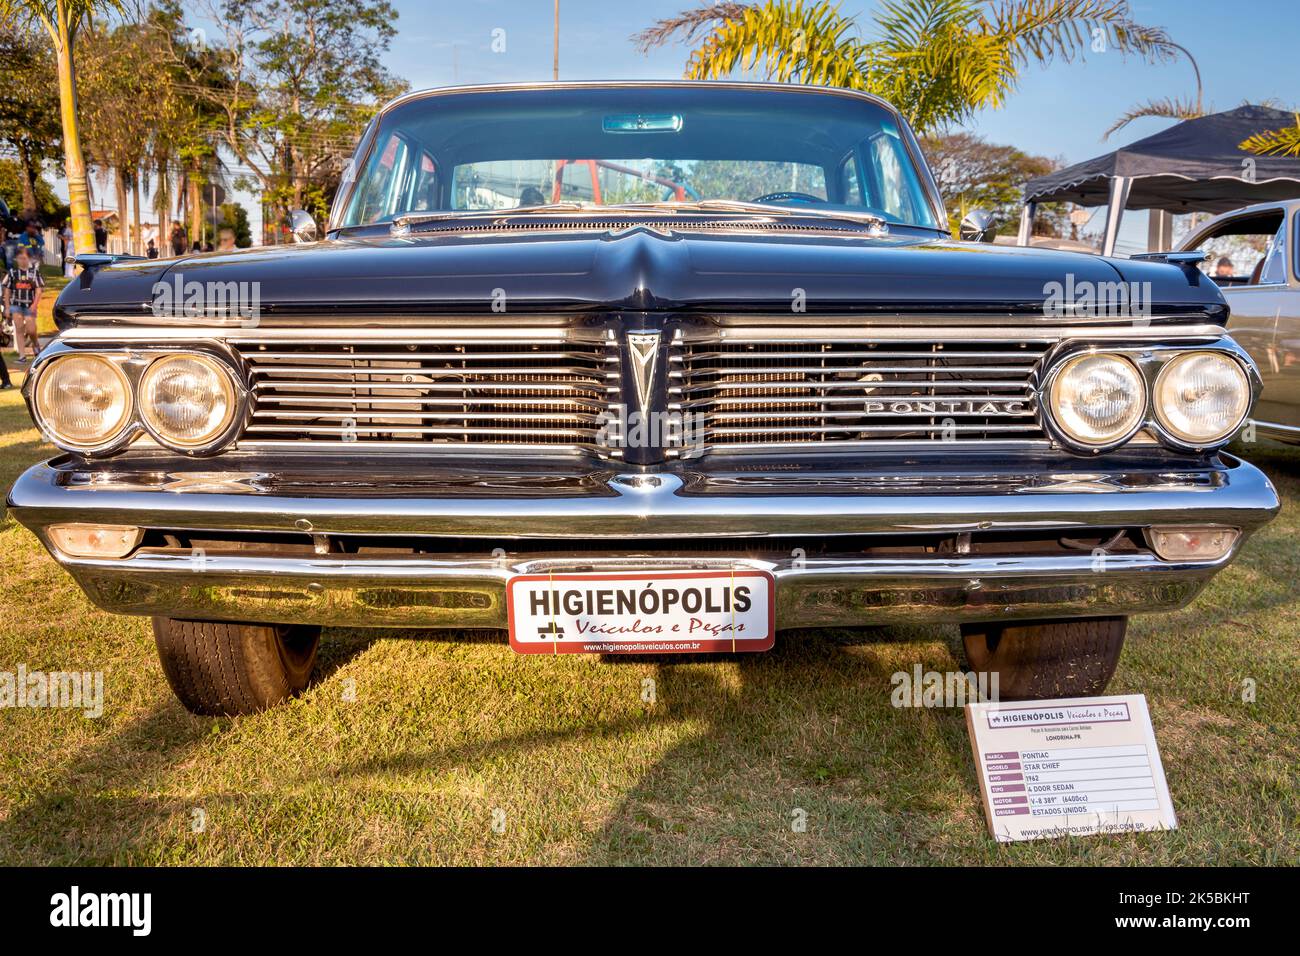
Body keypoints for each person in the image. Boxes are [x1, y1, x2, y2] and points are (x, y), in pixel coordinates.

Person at [3, 246, 44, 364]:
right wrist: (7, 307)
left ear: (29, 259)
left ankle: (36, 347)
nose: (22, 260)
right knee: (19, 329)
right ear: (16, 259)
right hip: (16, 305)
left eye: (25, 258)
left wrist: (34, 305)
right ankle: (22, 356)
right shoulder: (12, 273)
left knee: (31, 330)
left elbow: (38, 290)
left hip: (29, 305)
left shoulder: (34, 273)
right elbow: (7, 290)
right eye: (20, 258)